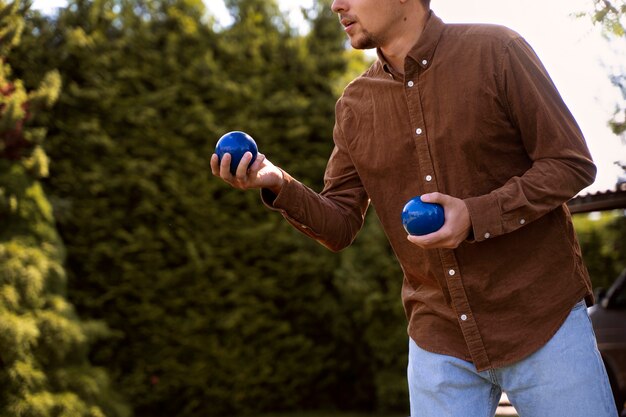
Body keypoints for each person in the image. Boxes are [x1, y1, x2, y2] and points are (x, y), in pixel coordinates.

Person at [211, 0, 619, 416]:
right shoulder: (354, 106)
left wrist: (475, 216)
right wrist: (278, 181)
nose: (336, 5)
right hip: (438, 340)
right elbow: (339, 224)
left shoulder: (498, 51)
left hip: (541, 321)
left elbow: (570, 163)